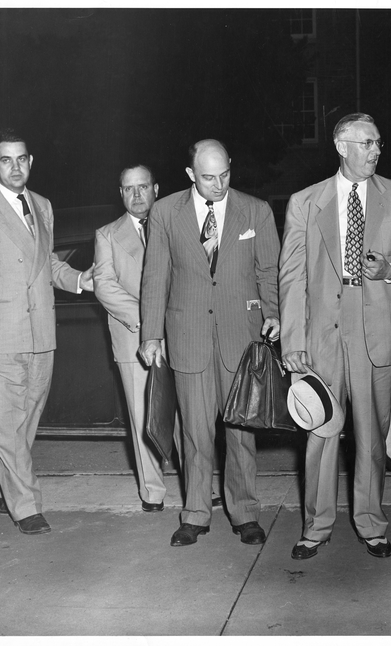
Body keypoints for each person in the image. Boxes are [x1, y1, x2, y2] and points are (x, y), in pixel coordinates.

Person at [279, 112, 391, 560]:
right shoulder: (306, 201)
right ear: (342, 147)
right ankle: (316, 526)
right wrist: (292, 340)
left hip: (375, 335)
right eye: (367, 144)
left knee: (372, 437)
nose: (375, 151)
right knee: (320, 433)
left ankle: (371, 523)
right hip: (322, 337)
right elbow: (292, 276)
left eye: (378, 143)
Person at [139, 140, 280, 547]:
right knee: (195, 434)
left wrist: (273, 313)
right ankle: (196, 514)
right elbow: (155, 276)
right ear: (190, 175)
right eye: (208, 177)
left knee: (240, 432)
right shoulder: (165, 212)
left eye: (225, 174)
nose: (218, 184)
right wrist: (151, 334)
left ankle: (245, 512)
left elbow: (269, 269)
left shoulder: (256, 210)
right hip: (188, 337)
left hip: (242, 338)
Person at [0, 128, 94, 535]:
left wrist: (78, 279)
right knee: (3, 424)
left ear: (30, 161)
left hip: (39, 334)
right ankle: (26, 506)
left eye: (21, 159)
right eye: (6, 160)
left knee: (25, 422)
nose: (15, 167)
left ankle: (1, 486)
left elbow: (46, 262)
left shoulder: (42, 205)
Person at [94, 165, 179, 512]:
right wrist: (150, 322)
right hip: (133, 337)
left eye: (143, 187)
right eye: (129, 189)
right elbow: (105, 286)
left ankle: (197, 485)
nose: (137, 195)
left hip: (180, 334)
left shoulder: (176, 224)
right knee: (143, 415)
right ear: (121, 193)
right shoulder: (107, 235)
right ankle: (153, 492)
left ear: (156, 188)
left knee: (188, 414)